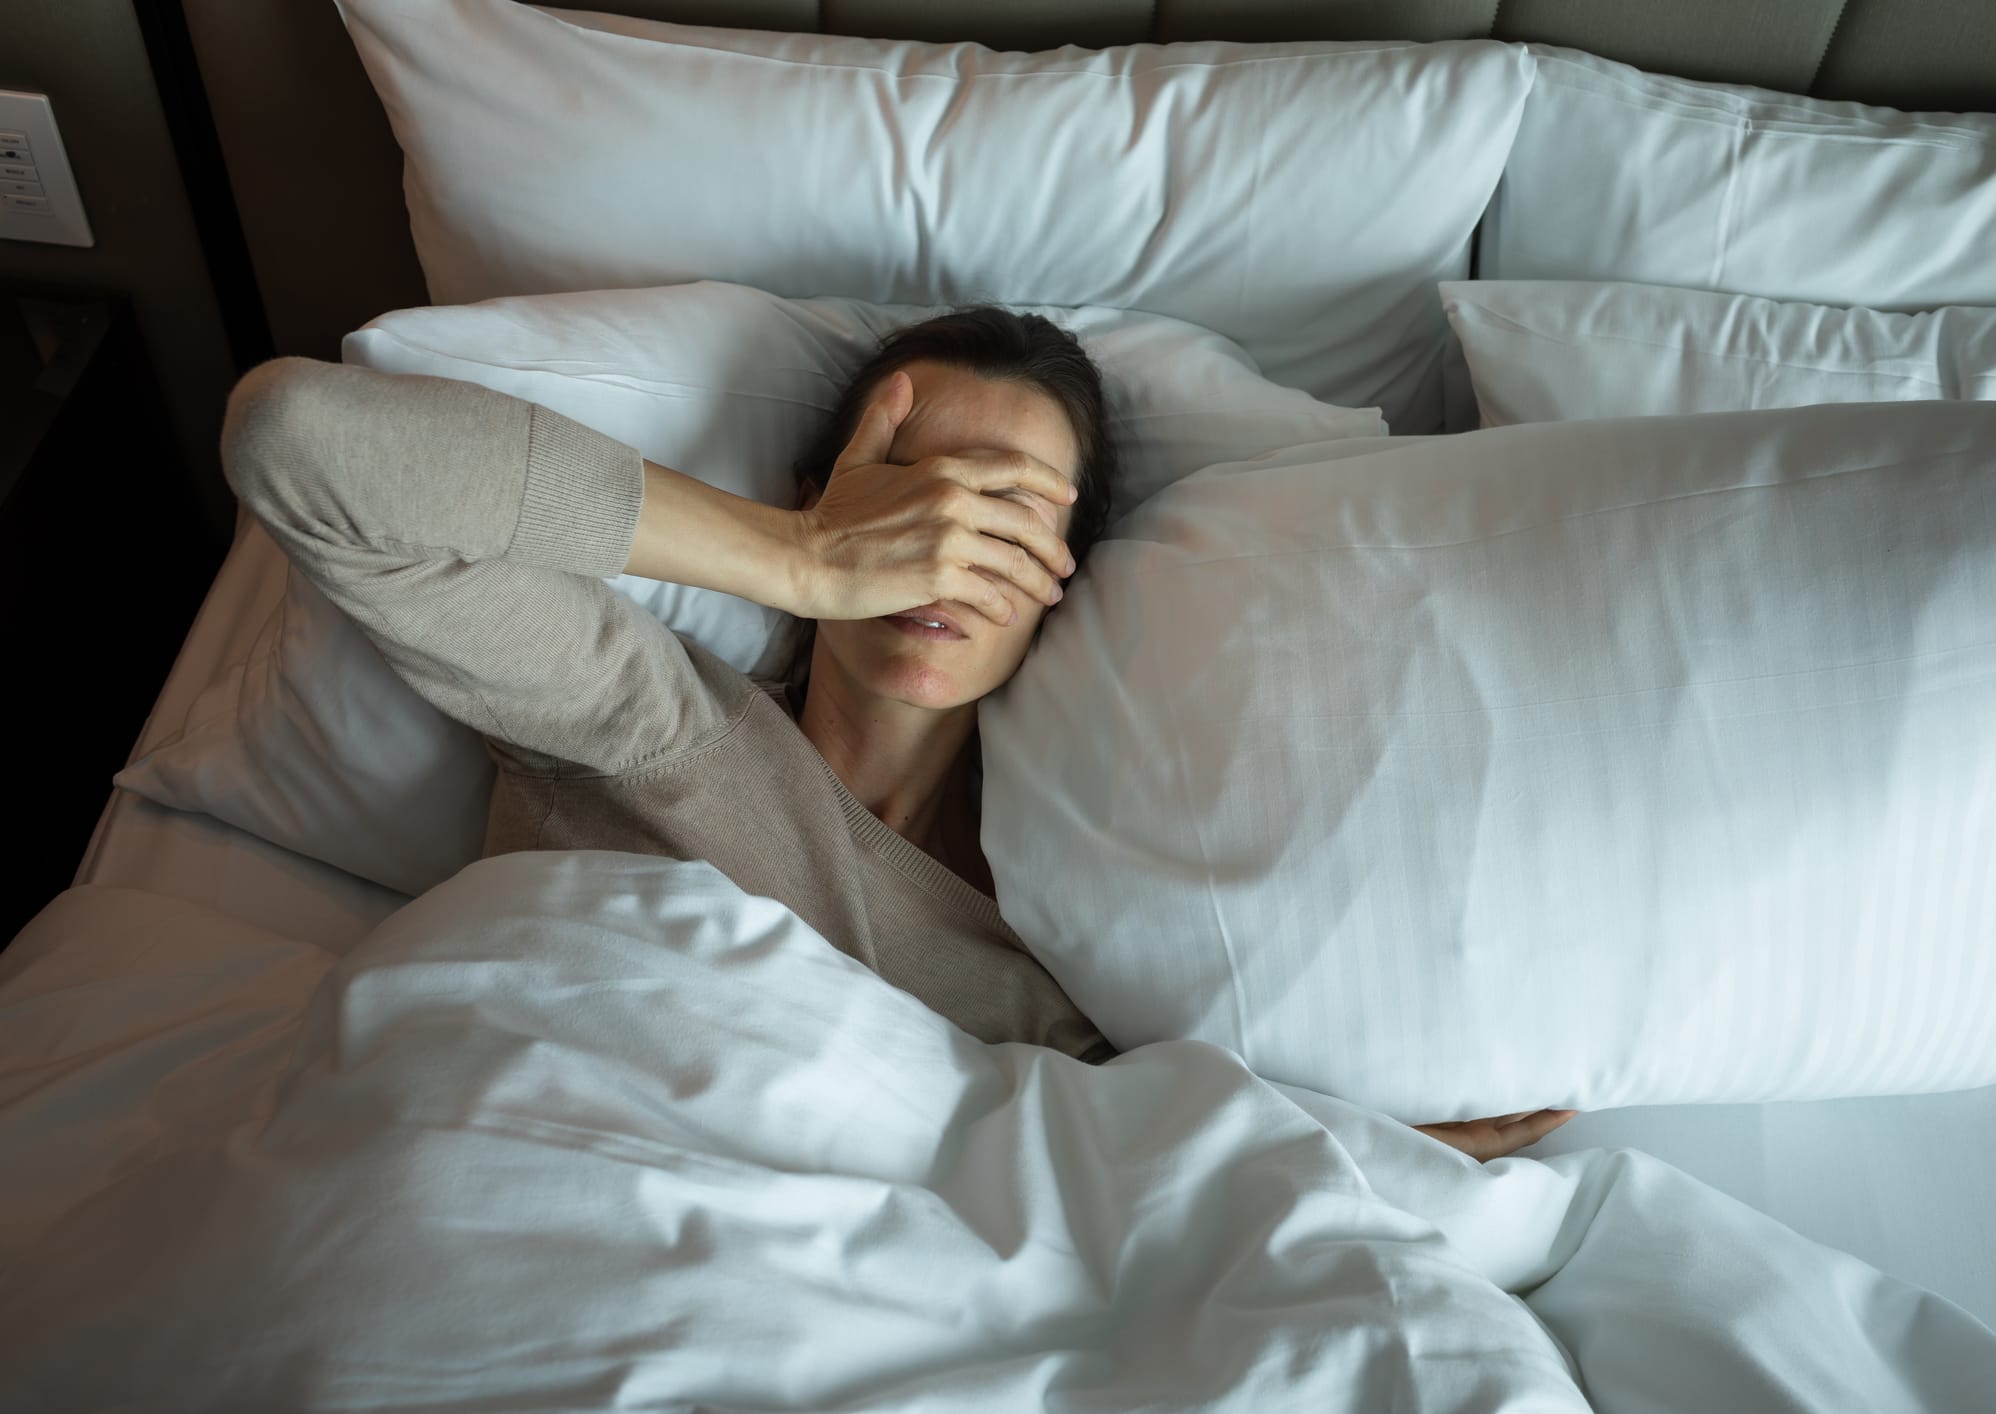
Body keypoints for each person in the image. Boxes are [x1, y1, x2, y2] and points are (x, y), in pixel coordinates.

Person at [221, 305, 1569, 1161]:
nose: (945, 544)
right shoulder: (632, 712)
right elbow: (298, 440)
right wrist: (797, 561)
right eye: (910, 494)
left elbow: (1144, 1162)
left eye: (1013, 515)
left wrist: (1398, 1155)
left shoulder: (1090, 919)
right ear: (830, 500)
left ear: (1069, 573)